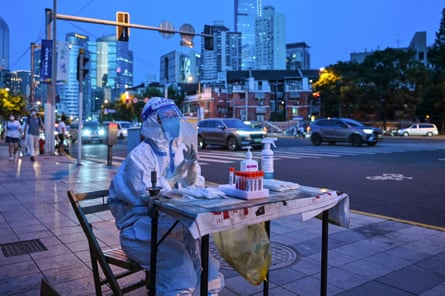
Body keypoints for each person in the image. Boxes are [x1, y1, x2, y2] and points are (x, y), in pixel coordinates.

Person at [107, 97, 224, 295]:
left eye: (174, 116)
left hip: (173, 229)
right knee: (181, 273)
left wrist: (191, 174)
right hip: (141, 233)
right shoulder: (140, 156)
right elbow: (152, 196)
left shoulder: (179, 150)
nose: (172, 121)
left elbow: (191, 188)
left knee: (210, 272)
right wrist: (177, 176)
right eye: (165, 117)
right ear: (153, 122)